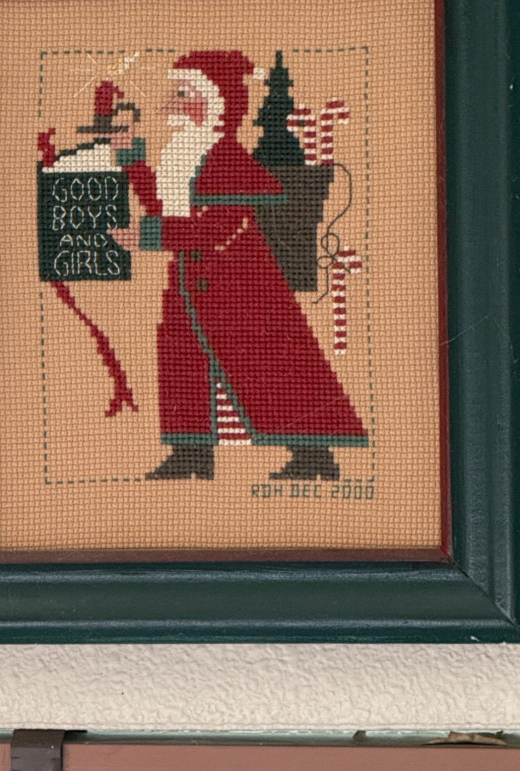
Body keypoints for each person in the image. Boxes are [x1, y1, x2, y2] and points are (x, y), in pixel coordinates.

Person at [112, 51, 368, 481]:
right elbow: (164, 208)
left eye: (183, 94)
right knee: (182, 361)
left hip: (238, 282)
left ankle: (313, 455)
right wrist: (133, 159)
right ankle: (191, 453)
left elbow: (216, 227)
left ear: (213, 103)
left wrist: (151, 236)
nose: (170, 104)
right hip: (189, 281)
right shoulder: (182, 156)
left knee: (269, 363)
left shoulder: (228, 160)